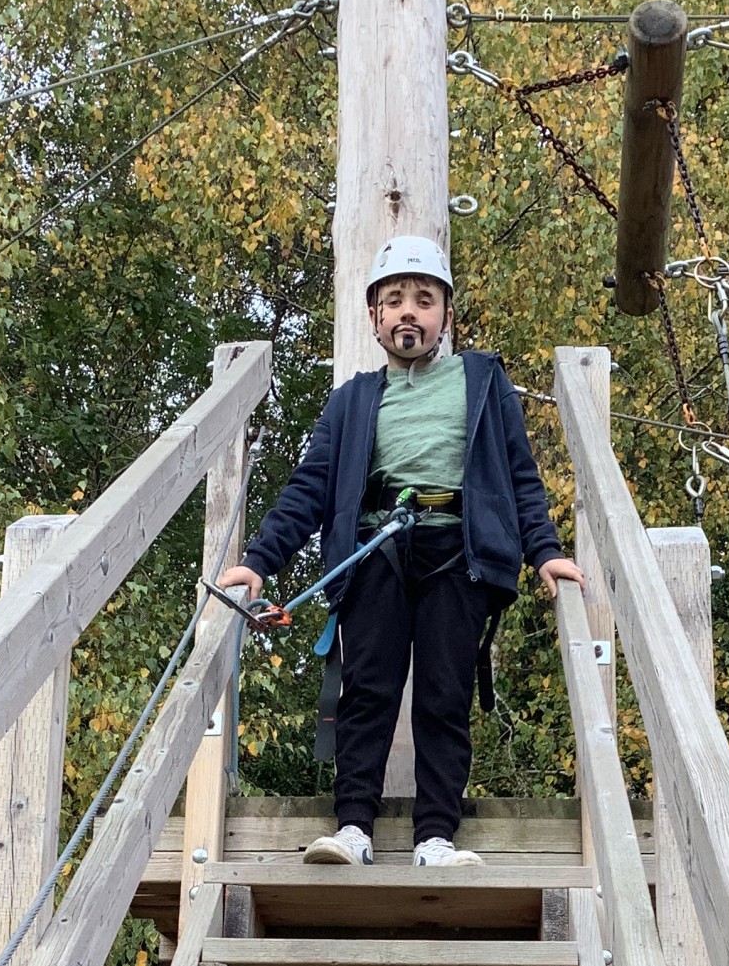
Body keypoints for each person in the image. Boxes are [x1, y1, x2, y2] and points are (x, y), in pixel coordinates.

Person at [220, 236, 584, 866]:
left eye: (424, 300)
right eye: (394, 302)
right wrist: (258, 563)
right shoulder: (353, 400)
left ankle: (435, 837)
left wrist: (544, 551)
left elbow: (519, 476)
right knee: (368, 691)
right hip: (378, 550)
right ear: (375, 318)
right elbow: (310, 490)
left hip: (457, 550)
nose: (408, 312)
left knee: (445, 693)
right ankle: (354, 829)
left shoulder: (483, 380)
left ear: (445, 314)